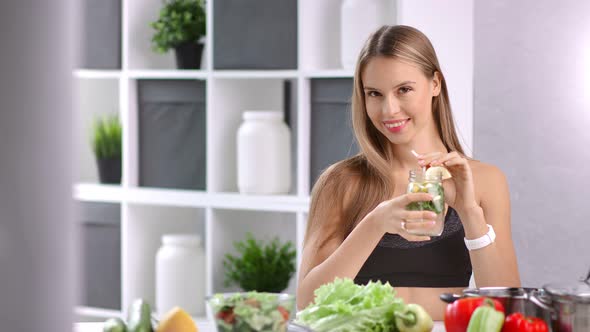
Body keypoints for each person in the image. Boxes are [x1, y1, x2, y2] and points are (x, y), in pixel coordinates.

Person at [296, 25, 520, 320]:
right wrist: (375, 223)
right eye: (374, 93)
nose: (389, 109)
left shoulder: (486, 181)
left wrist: (468, 211)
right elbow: (308, 302)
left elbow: (506, 307)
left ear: (435, 84)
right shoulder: (341, 183)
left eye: (404, 89)